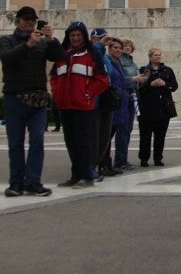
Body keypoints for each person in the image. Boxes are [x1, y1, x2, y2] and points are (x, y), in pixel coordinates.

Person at [0, 6, 66, 197]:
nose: (29, 22)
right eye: (25, 19)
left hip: (38, 98)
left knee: (37, 141)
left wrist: (50, 39)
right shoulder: (6, 41)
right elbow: (7, 59)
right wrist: (27, 45)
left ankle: (33, 182)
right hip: (15, 97)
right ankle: (16, 183)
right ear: (17, 21)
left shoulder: (41, 42)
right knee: (15, 143)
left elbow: (59, 57)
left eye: (32, 19)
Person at [50, 21, 109, 189]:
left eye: (78, 35)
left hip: (83, 105)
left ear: (84, 36)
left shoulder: (92, 54)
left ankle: (86, 175)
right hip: (65, 104)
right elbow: (54, 76)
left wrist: (88, 93)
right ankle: (75, 175)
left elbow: (102, 79)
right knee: (71, 142)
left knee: (83, 142)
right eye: (72, 35)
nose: (75, 38)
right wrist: (57, 94)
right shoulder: (62, 55)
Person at [137, 47, 178, 167]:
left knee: (160, 136)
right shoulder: (144, 70)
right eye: (155, 55)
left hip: (163, 108)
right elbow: (139, 88)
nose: (158, 57)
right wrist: (151, 84)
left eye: (159, 55)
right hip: (147, 108)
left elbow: (174, 86)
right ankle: (144, 158)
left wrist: (165, 84)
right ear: (150, 57)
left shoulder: (167, 70)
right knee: (145, 136)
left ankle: (158, 158)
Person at [89, 28, 115, 179]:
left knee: (103, 138)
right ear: (93, 38)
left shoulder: (105, 57)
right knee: (94, 137)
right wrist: (99, 45)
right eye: (100, 38)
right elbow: (92, 58)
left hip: (106, 102)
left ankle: (97, 165)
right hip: (95, 102)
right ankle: (90, 167)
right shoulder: (92, 52)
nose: (104, 41)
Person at [115, 37, 143, 170]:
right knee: (122, 130)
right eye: (124, 46)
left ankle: (122, 159)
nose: (127, 48)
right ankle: (119, 161)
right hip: (124, 96)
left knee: (127, 129)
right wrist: (134, 79)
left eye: (129, 46)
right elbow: (120, 79)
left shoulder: (132, 63)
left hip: (133, 96)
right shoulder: (119, 61)